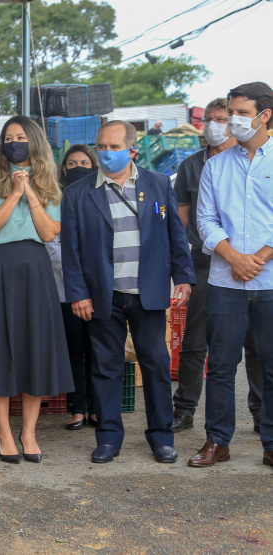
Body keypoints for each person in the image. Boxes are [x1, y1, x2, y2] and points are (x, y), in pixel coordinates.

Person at [61, 120, 195, 465]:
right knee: (105, 367)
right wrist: (78, 294)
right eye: (101, 147)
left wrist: (183, 277)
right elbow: (71, 251)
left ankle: (161, 437)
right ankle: (108, 438)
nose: (105, 153)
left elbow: (174, 237)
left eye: (113, 147)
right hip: (103, 294)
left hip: (147, 292)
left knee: (156, 364)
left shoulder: (158, 184)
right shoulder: (79, 193)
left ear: (131, 150)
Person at [0, 115, 72, 463]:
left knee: (34, 346)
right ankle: (3, 431)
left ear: (34, 142)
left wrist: (31, 192)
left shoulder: (48, 182)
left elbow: (48, 233)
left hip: (35, 267)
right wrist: (14, 193)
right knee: (0, 345)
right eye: (9, 137)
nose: (15, 143)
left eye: (21, 137)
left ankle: (29, 432)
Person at [191, 82, 273, 468]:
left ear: (264, 115)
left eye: (241, 113)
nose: (234, 121)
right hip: (225, 282)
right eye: (232, 113)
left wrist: (258, 257)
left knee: (271, 365)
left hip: (270, 281)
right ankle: (217, 441)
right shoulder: (215, 166)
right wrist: (233, 257)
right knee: (221, 366)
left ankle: (270, 444)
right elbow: (204, 219)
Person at [171, 97, 263, 433]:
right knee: (196, 342)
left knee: (255, 345)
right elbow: (183, 217)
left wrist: (247, 259)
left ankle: (260, 413)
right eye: (210, 119)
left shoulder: (253, 162)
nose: (216, 125)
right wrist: (179, 262)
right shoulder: (193, 166)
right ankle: (184, 409)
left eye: (223, 118)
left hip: (254, 266)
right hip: (204, 264)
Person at [50, 145, 99, 431]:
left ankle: (98, 408)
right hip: (66, 288)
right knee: (73, 350)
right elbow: (51, 243)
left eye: (84, 161)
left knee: (98, 350)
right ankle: (78, 408)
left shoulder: (101, 195)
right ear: (64, 168)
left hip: (99, 288)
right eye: (72, 162)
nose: (78, 166)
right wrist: (75, 273)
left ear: (93, 166)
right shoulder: (55, 199)